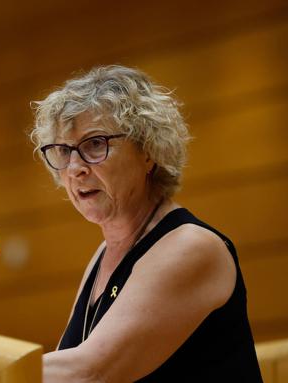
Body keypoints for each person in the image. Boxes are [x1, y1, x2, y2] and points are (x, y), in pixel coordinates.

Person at [30, 65, 262, 382]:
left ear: (148, 150)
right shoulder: (102, 257)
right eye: (63, 150)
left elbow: (91, 373)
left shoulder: (191, 248)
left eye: (95, 144)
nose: (75, 168)